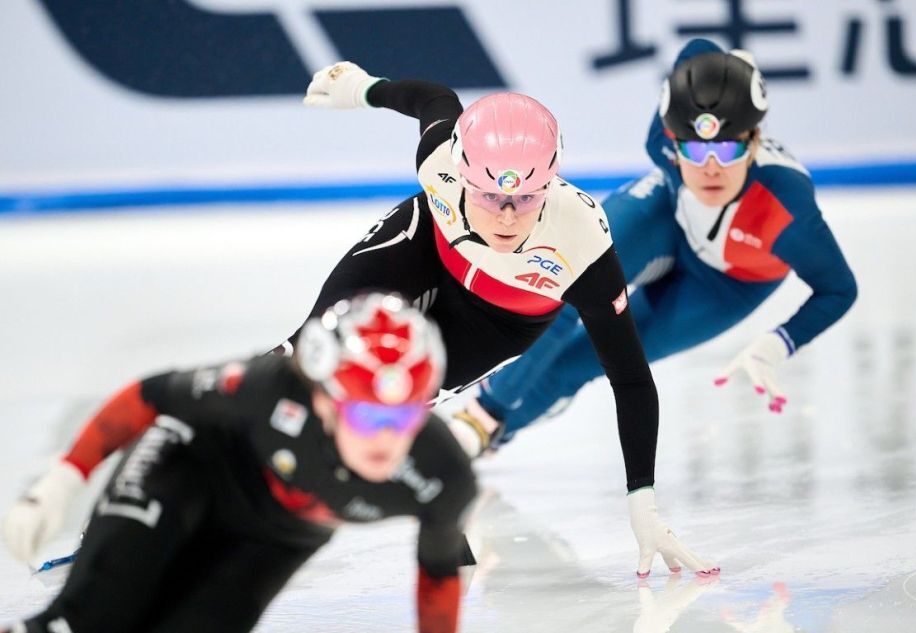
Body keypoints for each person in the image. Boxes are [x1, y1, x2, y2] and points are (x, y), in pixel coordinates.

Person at [282, 60, 716, 578]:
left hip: (498, 321)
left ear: (551, 182)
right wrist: (362, 89)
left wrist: (642, 502)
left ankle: (444, 506)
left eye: (526, 198)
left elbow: (630, 378)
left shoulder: (582, 244)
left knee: (389, 398)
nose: (507, 215)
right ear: (461, 171)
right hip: (423, 249)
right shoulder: (439, 161)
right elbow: (433, 96)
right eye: (490, 195)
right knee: (313, 351)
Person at [455, 38, 858, 447]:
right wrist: (723, 67)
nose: (711, 168)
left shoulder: (785, 209)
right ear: (673, 142)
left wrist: (779, 343)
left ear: (754, 141)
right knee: (563, 290)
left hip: (727, 283)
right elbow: (697, 48)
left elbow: (839, 289)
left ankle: (476, 439)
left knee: (584, 361)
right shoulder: (661, 138)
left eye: (727, 149)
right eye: (695, 150)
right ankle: (478, 417)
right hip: (664, 214)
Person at [2, 293, 476, 633]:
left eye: (406, 415)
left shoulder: (442, 476)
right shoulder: (270, 389)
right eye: (368, 416)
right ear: (324, 400)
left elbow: (439, 576)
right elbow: (151, 394)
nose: (388, 438)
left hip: (277, 535)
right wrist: (64, 479)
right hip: (191, 468)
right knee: (86, 622)